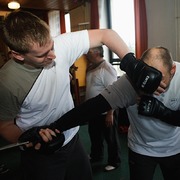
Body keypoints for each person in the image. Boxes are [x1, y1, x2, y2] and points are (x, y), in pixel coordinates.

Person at [0, 10, 162, 180]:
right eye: (42, 55)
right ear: (18, 55)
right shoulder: (7, 83)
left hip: (72, 139)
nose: (54, 55)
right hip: (41, 151)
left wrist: (131, 64)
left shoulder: (60, 46)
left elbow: (106, 34)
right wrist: (27, 137)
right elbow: (4, 126)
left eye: (52, 46)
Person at [20, 46, 180, 180]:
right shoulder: (130, 83)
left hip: (175, 148)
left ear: (172, 70)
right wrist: (54, 128)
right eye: (144, 78)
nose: (149, 87)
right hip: (141, 149)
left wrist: (161, 112)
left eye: (159, 81)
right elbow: (91, 108)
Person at [85, 46, 121, 171]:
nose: (86, 53)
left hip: (106, 111)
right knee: (94, 135)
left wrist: (110, 113)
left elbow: (113, 92)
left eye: (89, 52)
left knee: (110, 138)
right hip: (93, 111)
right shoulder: (90, 67)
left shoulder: (107, 68)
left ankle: (114, 161)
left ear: (97, 53)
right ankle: (96, 156)